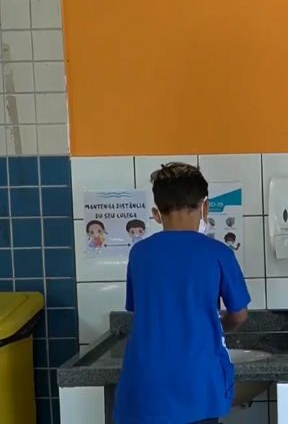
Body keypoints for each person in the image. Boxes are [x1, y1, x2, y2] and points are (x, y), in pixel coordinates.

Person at [114, 163, 251, 424]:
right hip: (198, 385)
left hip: (144, 387)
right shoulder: (219, 253)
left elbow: (137, 309)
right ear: (204, 207)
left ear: (156, 213)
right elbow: (239, 314)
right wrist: (219, 327)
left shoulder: (139, 254)